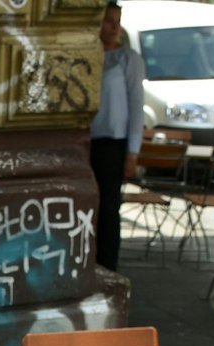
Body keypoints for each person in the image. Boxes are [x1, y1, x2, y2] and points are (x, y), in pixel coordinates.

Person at [89, 0, 146, 271]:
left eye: (117, 22)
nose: (114, 28)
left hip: (113, 142)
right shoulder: (89, 56)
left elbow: (136, 106)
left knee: (108, 206)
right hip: (87, 140)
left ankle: (108, 265)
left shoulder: (127, 59)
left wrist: (133, 151)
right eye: (108, 22)